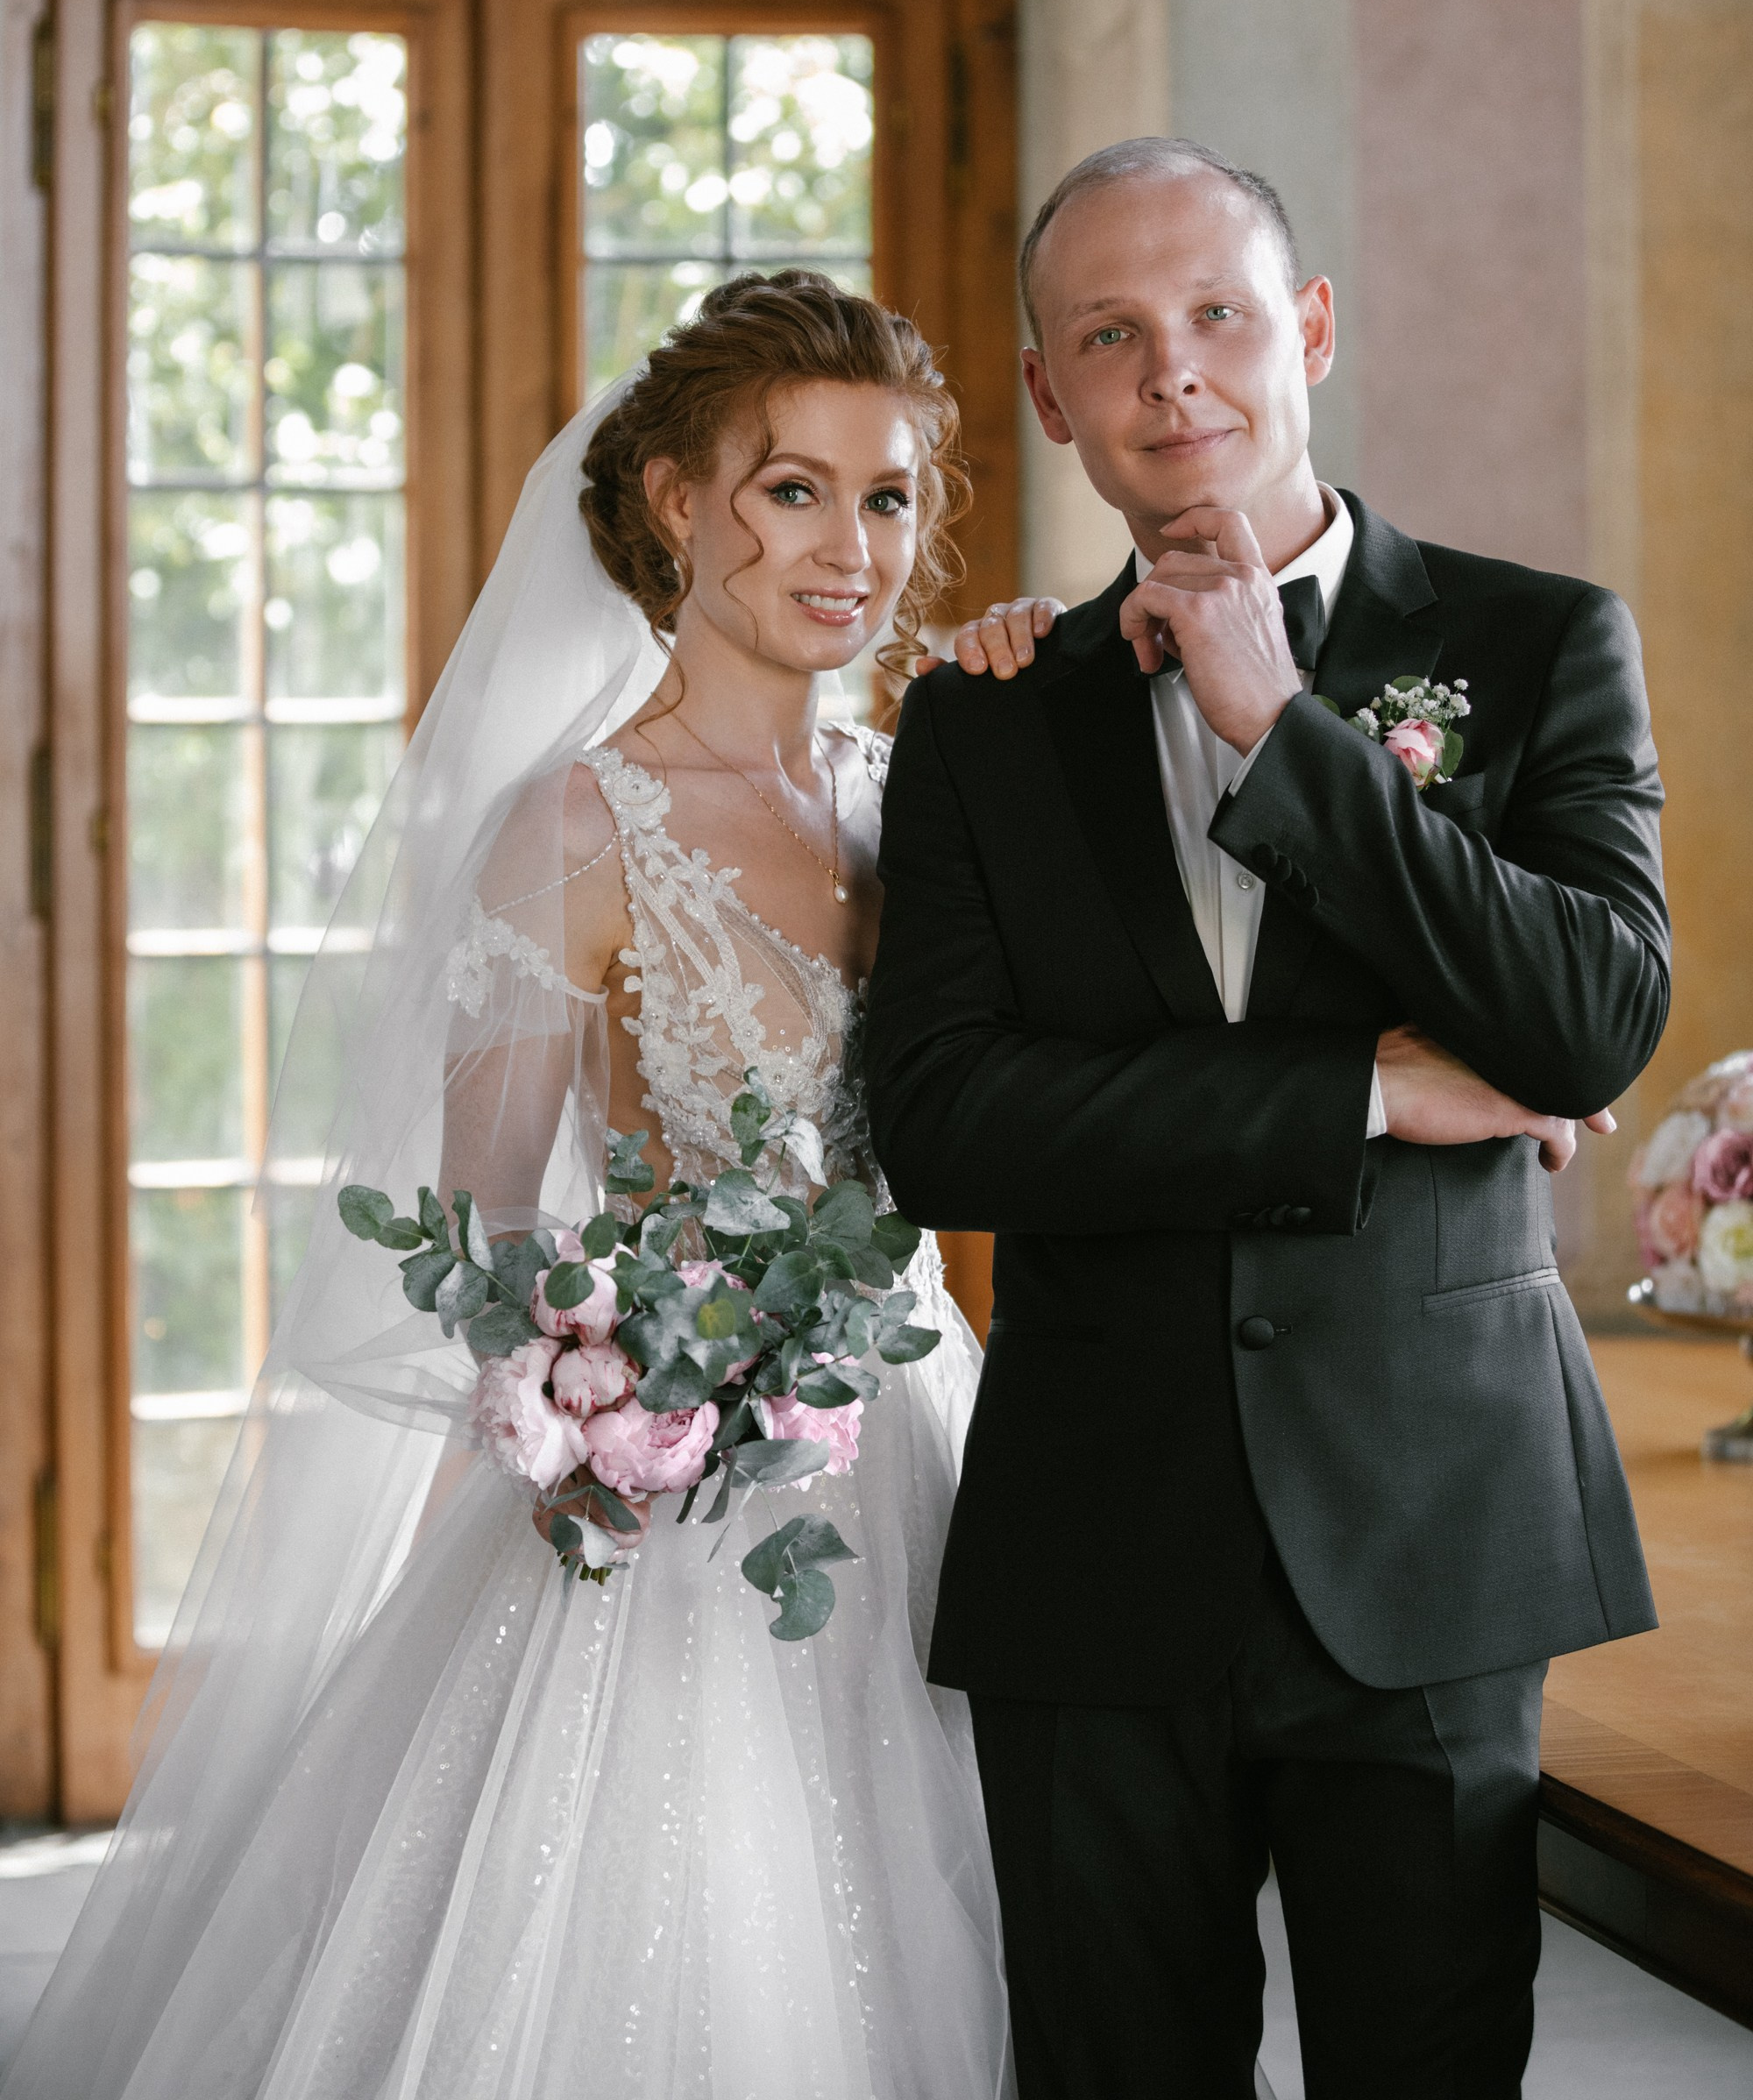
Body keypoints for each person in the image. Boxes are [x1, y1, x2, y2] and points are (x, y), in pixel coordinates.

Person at [5, 273, 1018, 2100]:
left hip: (937, 1447)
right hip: (682, 1499)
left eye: (886, 497)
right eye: (792, 489)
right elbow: (482, 1247)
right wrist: (628, 1368)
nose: (851, 545)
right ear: (675, 505)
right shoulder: (577, 825)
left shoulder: (914, 794)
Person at [864, 138, 1670, 2100]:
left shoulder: (1538, 642)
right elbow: (950, 1124)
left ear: (1306, 329)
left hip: (1435, 1525)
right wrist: (1367, 1093)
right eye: (1110, 338)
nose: (1175, 377)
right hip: (1098, 1541)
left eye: (1218, 315)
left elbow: (1584, 1022)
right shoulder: (981, 714)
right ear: (1048, 397)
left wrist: (1281, 741)